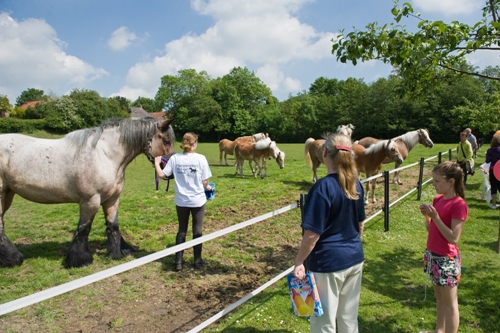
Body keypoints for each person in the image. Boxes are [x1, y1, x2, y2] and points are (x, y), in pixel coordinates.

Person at [293, 132, 366, 333]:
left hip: (328, 264)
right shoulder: (356, 183)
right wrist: (351, 246)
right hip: (354, 258)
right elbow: (361, 224)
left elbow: (312, 234)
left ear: (324, 153)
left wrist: (299, 261)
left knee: (323, 321)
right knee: (348, 319)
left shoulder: (322, 187)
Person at [419, 161, 468, 333]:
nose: (434, 184)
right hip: (432, 255)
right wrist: (428, 217)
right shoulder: (438, 199)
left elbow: (454, 237)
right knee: (439, 299)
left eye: (437, 181)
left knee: (450, 304)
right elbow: (431, 229)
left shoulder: (458, 204)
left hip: (446, 259)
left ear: (451, 182)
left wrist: (436, 217)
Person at [154, 132, 212, 271]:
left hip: (181, 201)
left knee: (181, 230)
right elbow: (205, 180)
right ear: (193, 144)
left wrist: (157, 164)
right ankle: (197, 261)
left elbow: (162, 175)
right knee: (197, 230)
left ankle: (178, 262)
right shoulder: (201, 158)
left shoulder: (175, 158)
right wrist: (208, 187)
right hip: (197, 200)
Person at [485, 135, 500, 209]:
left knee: (493, 187)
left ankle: (494, 204)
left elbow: (487, 161)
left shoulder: (489, 150)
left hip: (492, 170)